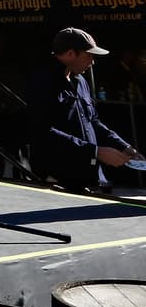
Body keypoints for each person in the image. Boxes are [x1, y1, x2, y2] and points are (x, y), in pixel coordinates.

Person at [28, 26, 142, 193]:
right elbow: (43, 132)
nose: (92, 62)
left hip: (90, 175)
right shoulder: (42, 82)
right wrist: (95, 151)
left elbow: (93, 121)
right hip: (58, 179)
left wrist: (124, 147)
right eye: (89, 56)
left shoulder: (81, 81)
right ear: (70, 54)